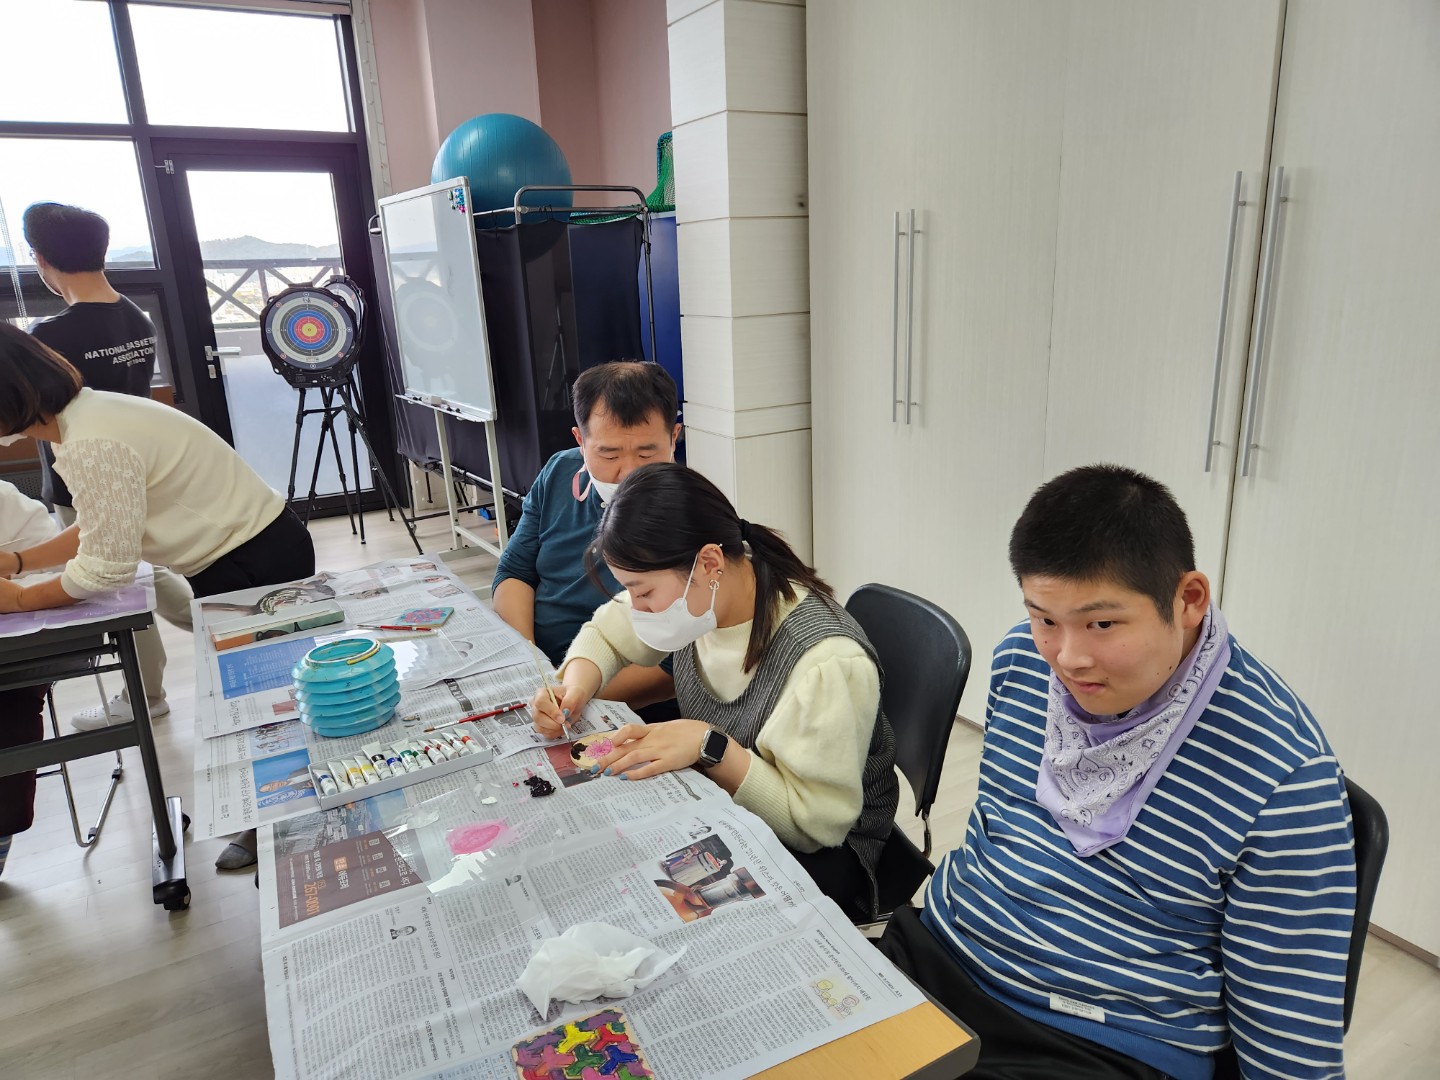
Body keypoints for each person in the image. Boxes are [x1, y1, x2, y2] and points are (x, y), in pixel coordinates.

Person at [877, 465, 1355, 1079]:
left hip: (1097, 1041)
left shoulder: (1283, 772)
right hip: (940, 953)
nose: (1069, 658)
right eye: (1046, 618)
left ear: (1188, 600)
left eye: (1102, 624)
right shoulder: (1023, 659)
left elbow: (1289, 1042)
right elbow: (1000, 831)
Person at [0, 325, 317, 871]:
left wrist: (22, 600)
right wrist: (20, 564)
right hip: (253, 548)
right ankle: (273, 811)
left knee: (262, 699)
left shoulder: (92, 440)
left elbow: (106, 567)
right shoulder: (89, 417)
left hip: (249, 558)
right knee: (257, 694)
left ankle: (278, 822)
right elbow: (103, 524)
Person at [530, 462, 899, 920]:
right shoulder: (706, 597)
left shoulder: (825, 663)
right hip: (730, 801)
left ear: (709, 563)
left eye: (643, 592)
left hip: (827, 854)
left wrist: (709, 747)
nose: (637, 607)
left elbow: (815, 826)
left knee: (652, 903)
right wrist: (573, 688)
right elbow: (607, 633)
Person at [23, 201, 193, 731]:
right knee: (146, 570)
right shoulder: (135, 318)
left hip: (85, 480)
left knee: (118, 588)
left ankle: (145, 695)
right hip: (135, 468)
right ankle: (235, 629)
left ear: (41, 260)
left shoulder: (49, 336)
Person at [493, 361, 680, 717]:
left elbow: (673, 669)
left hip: (619, 698)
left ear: (674, 437)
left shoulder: (689, 514)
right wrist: (531, 664)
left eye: (647, 453)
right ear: (580, 441)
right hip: (543, 673)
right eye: (609, 454)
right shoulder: (558, 471)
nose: (629, 472)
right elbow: (515, 571)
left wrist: (571, 694)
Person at [0, 479, 64, 879]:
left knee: (11, 708)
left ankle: (2, 835)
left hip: (14, 655)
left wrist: (15, 589)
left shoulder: (5, 501)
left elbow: (62, 567)